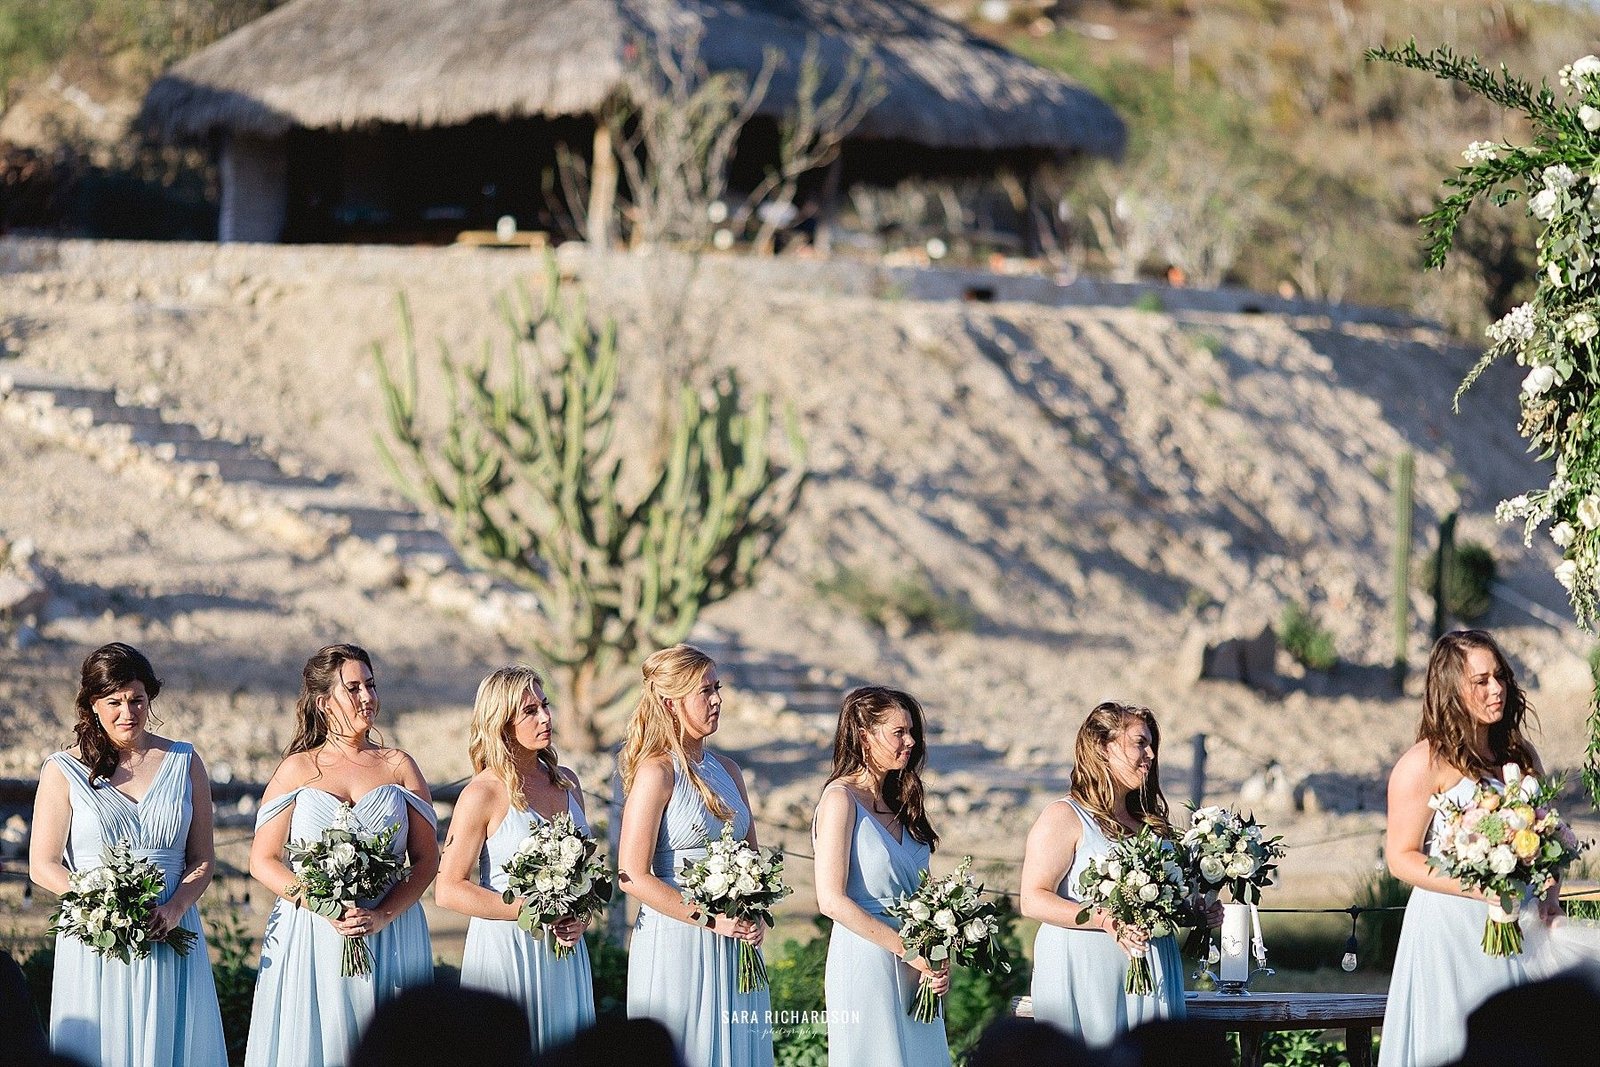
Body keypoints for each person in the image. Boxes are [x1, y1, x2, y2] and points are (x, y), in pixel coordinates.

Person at [27, 642, 227, 1067]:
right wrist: (101, 903)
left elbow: (203, 859)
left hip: (169, 929)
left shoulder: (184, 761)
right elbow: (42, 865)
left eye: (137, 699)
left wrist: (175, 908)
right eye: (114, 701)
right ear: (92, 706)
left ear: (149, 698)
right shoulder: (63, 769)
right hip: (96, 936)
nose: (127, 712)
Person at [244, 643, 440, 1067]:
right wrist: (321, 903)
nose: (367, 698)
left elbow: (426, 861)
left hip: (391, 933)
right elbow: (263, 860)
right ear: (322, 702)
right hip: (314, 932)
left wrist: (384, 914)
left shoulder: (399, 765)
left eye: (370, 685)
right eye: (353, 689)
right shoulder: (297, 770)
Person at [1379, 630, 1557, 1067]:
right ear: (1450, 689)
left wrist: (1550, 895)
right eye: (1481, 681)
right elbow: (1400, 857)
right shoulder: (1423, 763)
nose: (1496, 689)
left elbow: (1546, 836)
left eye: (1500, 677)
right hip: (1452, 930)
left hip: (1525, 923)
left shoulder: (1520, 753)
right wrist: (1480, 887)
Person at [618, 644, 773, 1067]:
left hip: (737, 943)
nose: (718, 699)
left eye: (717, 688)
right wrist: (709, 919)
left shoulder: (730, 771)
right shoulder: (656, 772)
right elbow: (631, 874)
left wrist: (753, 914)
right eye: (705, 691)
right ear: (671, 703)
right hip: (678, 942)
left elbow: (753, 859)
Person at [437, 665, 596, 1052]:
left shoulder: (567, 782)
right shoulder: (482, 794)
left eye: (545, 705)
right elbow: (448, 890)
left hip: (565, 953)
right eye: (529, 711)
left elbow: (586, 875)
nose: (545, 717)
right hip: (507, 951)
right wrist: (530, 910)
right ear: (501, 723)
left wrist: (580, 918)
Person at [1020, 701, 1192, 1046]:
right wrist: (1105, 919)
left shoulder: (1151, 826)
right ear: (1103, 747)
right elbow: (1033, 899)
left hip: (1153, 967)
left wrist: (1194, 911)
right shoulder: (1064, 817)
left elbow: (1164, 906)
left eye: (1152, 744)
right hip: (1086, 971)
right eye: (1140, 743)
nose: (1152, 755)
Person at [812, 686, 950, 1066]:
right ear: (864, 736)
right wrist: (907, 948)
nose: (910, 741)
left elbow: (925, 895)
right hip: (865, 960)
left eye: (912, 732)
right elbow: (831, 900)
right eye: (899, 732)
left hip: (917, 966)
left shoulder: (903, 802)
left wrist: (936, 955)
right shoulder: (840, 800)